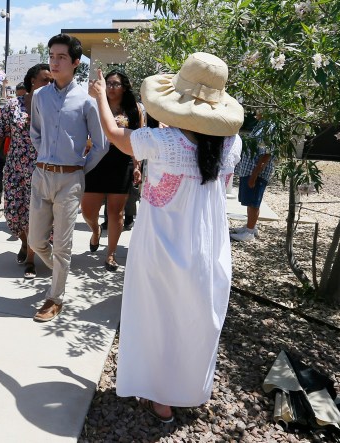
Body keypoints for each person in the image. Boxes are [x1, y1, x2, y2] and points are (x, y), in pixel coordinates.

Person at [88, 52, 244, 423]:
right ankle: (187, 388)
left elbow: (113, 135)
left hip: (161, 244)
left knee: (157, 316)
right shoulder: (232, 145)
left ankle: (159, 394)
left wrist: (98, 97)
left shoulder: (163, 142)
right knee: (197, 318)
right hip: (208, 246)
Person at [29, 34, 108, 322]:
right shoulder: (40, 96)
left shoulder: (87, 101)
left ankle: (55, 297)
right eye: (51, 55)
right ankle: (61, 270)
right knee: (36, 241)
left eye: (61, 57)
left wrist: (78, 170)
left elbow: (100, 144)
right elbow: (35, 132)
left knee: (63, 244)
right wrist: (46, 159)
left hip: (70, 180)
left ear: (76, 62)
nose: (54, 61)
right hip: (41, 176)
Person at [0, 63, 53, 279]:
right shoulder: (13, 106)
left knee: (35, 214)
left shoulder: (53, 107)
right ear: (32, 81)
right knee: (14, 214)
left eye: (51, 80)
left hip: (42, 169)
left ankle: (31, 260)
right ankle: (25, 242)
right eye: (45, 79)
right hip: (15, 168)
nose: (49, 83)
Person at [82, 70, 142, 272]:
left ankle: (110, 255)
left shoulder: (134, 110)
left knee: (116, 213)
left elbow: (138, 140)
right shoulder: (94, 105)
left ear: (124, 87)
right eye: (108, 83)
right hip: (96, 163)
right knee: (88, 211)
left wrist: (137, 165)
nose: (110, 87)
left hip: (121, 163)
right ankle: (96, 230)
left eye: (115, 84)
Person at [230, 121, 275, 242]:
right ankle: (251, 227)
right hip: (248, 170)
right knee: (250, 201)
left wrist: (254, 175)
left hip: (255, 172)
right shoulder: (260, 125)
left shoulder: (270, 127)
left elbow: (266, 154)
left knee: (254, 202)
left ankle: (249, 233)